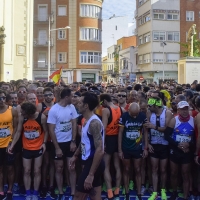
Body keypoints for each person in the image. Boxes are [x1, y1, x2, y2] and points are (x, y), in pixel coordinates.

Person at [8, 102, 48, 200]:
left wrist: (44, 143)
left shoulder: (41, 117)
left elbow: (46, 131)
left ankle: (35, 193)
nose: (21, 113)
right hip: (26, 148)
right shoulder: (22, 117)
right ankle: (28, 193)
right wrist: (12, 145)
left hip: (38, 147)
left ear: (29, 113)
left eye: (23, 112)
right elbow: (18, 132)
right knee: (27, 170)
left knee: (37, 170)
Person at [69, 92, 105, 200]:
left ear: (86, 106)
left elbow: (100, 150)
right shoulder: (86, 120)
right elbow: (85, 141)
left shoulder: (94, 123)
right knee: (95, 197)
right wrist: (75, 155)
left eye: (80, 102)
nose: (77, 104)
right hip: (90, 162)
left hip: (93, 164)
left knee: (78, 196)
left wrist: (90, 174)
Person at [48, 88, 78, 200]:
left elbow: (74, 123)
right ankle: (60, 192)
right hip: (58, 144)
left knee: (72, 167)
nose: (74, 98)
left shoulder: (72, 107)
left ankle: (73, 192)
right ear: (66, 97)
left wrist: (73, 141)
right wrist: (57, 148)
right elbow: (51, 130)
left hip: (69, 143)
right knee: (59, 168)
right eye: (72, 96)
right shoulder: (54, 110)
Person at [165, 101, 195, 200]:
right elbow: (167, 136)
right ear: (178, 110)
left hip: (187, 151)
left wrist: (189, 145)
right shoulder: (174, 120)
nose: (184, 111)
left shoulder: (193, 121)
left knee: (185, 174)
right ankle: (174, 192)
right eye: (182, 109)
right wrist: (177, 145)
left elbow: (196, 138)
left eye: (186, 109)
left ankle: (185, 196)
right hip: (175, 150)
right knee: (174, 173)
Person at [118, 103, 148, 200]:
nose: (135, 116)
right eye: (133, 114)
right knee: (126, 169)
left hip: (137, 147)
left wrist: (145, 148)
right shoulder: (124, 116)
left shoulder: (142, 116)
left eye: (136, 114)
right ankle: (127, 192)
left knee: (138, 169)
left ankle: (139, 192)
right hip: (126, 147)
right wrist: (119, 150)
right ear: (129, 110)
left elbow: (145, 132)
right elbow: (120, 133)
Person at [145, 97, 173, 200]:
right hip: (153, 144)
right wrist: (148, 144)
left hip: (164, 145)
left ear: (156, 105)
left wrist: (154, 127)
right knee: (154, 169)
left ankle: (163, 190)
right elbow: (146, 130)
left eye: (150, 105)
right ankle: (155, 192)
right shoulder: (149, 113)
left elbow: (166, 129)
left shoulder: (167, 113)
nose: (148, 107)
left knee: (163, 170)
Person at [100, 94, 122, 200]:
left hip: (108, 139)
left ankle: (109, 191)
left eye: (101, 102)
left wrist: (102, 144)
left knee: (106, 166)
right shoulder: (120, 109)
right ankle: (117, 189)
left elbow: (103, 128)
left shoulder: (106, 110)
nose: (101, 105)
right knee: (117, 166)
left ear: (104, 101)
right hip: (118, 138)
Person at [37, 87, 57, 199]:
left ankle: (51, 185)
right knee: (45, 163)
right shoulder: (40, 106)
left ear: (53, 95)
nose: (48, 97)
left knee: (53, 164)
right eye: (46, 95)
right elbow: (37, 121)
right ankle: (44, 185)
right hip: (44, 138)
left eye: (50, 94)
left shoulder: (56, 105)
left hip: (55, 138)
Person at [0, 90, 18, 200]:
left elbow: (16, 128)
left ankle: (10, 189)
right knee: (0, 169)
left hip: (9, 144)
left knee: (10, 168)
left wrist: (12, 141)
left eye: (2, 98)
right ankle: (1, 190)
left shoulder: (12, 110)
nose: (1, 100)